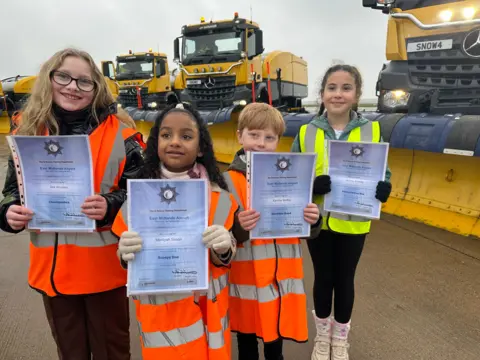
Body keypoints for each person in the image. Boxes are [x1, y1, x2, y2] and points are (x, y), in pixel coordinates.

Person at [0, 48, 146, 360]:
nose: (73, 87)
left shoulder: (124, 135)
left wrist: (111, 204)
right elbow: (13, 190)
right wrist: (8, 211)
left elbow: (145, 193)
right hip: (52, 273)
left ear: (97, 89)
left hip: (102, 274)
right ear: (49, 79)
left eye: (84, 82)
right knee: (71, 353)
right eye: (64, 77)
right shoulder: (27, 132)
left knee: (112, 353)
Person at [112, 102, 240, 360]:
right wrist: (123, 254)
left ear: (201, 147)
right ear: (155, 143)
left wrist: (226, 247)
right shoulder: (138, 198)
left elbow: (225, 257)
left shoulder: (221, 198)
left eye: (186, 136)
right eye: (166, 135)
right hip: (162, 319)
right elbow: (127, 255)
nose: (175, 142)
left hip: (209, 313)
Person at [291, 64, 392, 360]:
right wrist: (312, 186)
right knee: (323, 278)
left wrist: (383, 187)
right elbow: (295, 177)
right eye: (331, 88)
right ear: (322, 94)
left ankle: (341, 338)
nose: (338, 94)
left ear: (357, 94)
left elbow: (381, 170)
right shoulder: (306, 132)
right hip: (318, 221)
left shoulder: (371, 129)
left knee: (345, 279)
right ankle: (323, 337)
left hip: (355, 221)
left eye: (346, 88)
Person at [223, 102, 321, 360]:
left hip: (279, 278)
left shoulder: (293, 177)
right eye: (254, 135)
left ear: (278, 140)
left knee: (274, 341)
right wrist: (239, 227)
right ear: (240, 136)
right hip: (246, 278)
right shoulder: (226, 182)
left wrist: (313, 220)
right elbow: (222, 234)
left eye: (269, 137)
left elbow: (304, 228)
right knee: (246, 341)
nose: (260, 143)